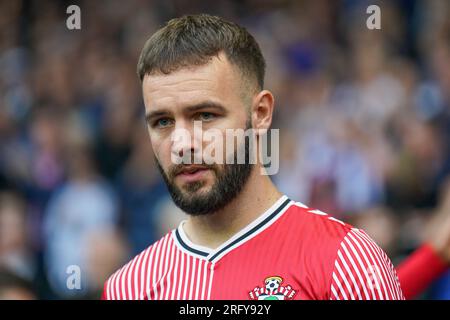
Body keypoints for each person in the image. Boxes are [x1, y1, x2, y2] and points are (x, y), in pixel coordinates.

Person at [102, 14, 404, 300]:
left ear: (260, 114)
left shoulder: (347, 261)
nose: (181, 144)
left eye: (205, 115)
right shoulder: (129, 287)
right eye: (162, 122)